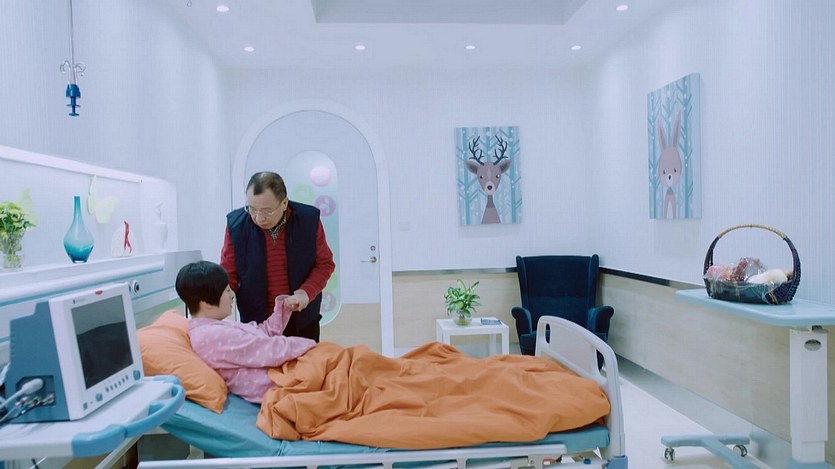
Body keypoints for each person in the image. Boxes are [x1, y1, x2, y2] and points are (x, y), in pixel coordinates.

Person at [175, 260, 317, 403]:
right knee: (327, 359)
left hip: (285, 379)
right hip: (280, 388)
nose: (232, 295)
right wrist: (311, 347)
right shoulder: (210, 336)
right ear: (206, 303)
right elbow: (268, 349)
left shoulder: (216, 327)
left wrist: (284, 308)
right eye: (227, 291)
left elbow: (261, 333)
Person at [221, 171, 335, 342]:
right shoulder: (236, 225)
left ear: (284, 203)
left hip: (300, 318)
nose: (259, 218)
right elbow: (228, 273)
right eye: (252, 209)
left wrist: (306, 292)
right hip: (257, 323)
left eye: (266, 211)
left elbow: (325, 264)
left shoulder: (308, 220)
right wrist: (221, 299)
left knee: (305, 360)